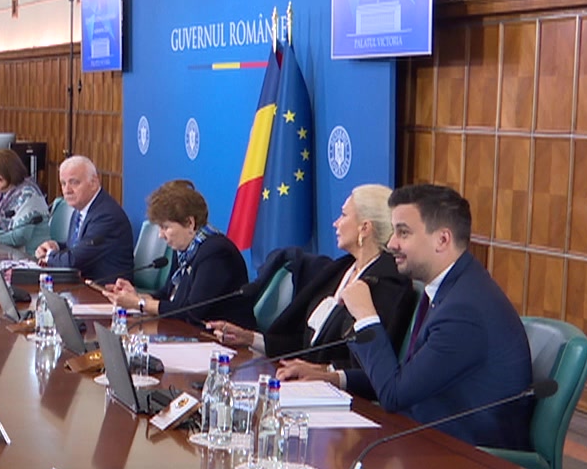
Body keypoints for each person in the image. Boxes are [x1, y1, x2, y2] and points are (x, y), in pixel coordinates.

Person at [325, 183, 535, 450]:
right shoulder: (451, 288)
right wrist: (336, 378)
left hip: (467, 456)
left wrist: (366, 316)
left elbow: (394, 395)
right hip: (428, 435)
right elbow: (407, 379)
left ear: (442, 240)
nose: (391, 244)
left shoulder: (464, 311)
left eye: (403, 233)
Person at [209, 184, 416, 382]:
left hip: (342, 396)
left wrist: (325, 372)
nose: (336, 223)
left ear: (365, 228)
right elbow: (307, 347)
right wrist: (249, 338)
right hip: (301, 383)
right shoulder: (340, 270)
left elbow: (372, 365)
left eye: (344, 215)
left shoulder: (389, 283)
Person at [106, 179, 255, 327]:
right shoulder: (185, 249)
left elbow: (191, 312)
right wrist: (134, 296)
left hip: (221, 338)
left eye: (165, 227)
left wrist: (139, 303)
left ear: (190, 223)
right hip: (188, 332)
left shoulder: (216, 253)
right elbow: (168, 296)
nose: (160, 235)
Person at [34, 155, 132, 283]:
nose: (67, 190)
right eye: (63, 183)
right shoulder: (81, 208)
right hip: (83, 284)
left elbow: (73, 262)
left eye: (74, 182)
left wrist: (49, 256)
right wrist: (56, 247)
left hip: (107, 289)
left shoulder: (107, 216)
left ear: (94, 183)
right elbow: (80, 246)